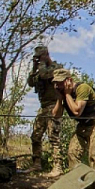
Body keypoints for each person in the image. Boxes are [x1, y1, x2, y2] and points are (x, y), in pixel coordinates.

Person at [52, 69, 95, 170]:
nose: (58, 86)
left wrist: (67, 94)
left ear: (69, 80)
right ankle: (77, 180)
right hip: (83, 126)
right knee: (72, 153)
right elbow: (56, 115)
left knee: (94, 155)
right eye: (56, 83)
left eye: (60, 83)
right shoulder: (63, 94)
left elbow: (77, 112)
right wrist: (60, 98)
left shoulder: (82, 88)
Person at [27, 46, 63, 176]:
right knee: (35, 135)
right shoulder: (39, 70)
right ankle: (36, 164)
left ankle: (57, 167)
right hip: (43, 107)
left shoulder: (56, 68)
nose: (39, 59)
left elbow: (44, 75)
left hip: (54, 105)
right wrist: (33, 67)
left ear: (46, 55)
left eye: (40, 56)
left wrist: (41, 64)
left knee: (53, 136)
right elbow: (30, 82)